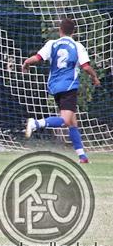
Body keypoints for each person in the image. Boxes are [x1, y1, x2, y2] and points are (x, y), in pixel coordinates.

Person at [22, 17, 100, 164]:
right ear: (74, 32)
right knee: (65, 120)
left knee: (72, 122)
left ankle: (82, 156)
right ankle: (35, 124)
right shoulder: (78, 46)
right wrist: (95, 77)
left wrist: (26, 62)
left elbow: (38, 58)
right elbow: (85, 66)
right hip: (69, 87)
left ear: (60, 30)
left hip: (54, 86)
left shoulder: (52, 44)